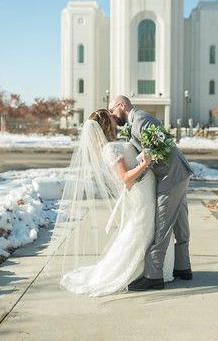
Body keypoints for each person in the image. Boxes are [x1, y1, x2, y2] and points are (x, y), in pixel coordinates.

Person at [56, 109, 175, 296]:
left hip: (146, 190)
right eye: (111, 116)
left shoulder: (113, 144)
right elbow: (126, 178)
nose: (114, 116)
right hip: (140, 194)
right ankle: (133, 272)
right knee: (142, 230)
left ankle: (152, 271)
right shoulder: (109, 150)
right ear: (105, 124)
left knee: (151, 229)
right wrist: (145, 163)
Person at [109, 96, 194, 292]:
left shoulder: (140, 120)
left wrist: (139, 173)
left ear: (122, 106)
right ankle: (183, 267)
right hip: (178, 173)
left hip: (170, 176)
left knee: (162, 225)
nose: (113, 115)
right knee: (180, 223)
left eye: (113, 111)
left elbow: (155, 151)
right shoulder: (136, 121)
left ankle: (153, 276)